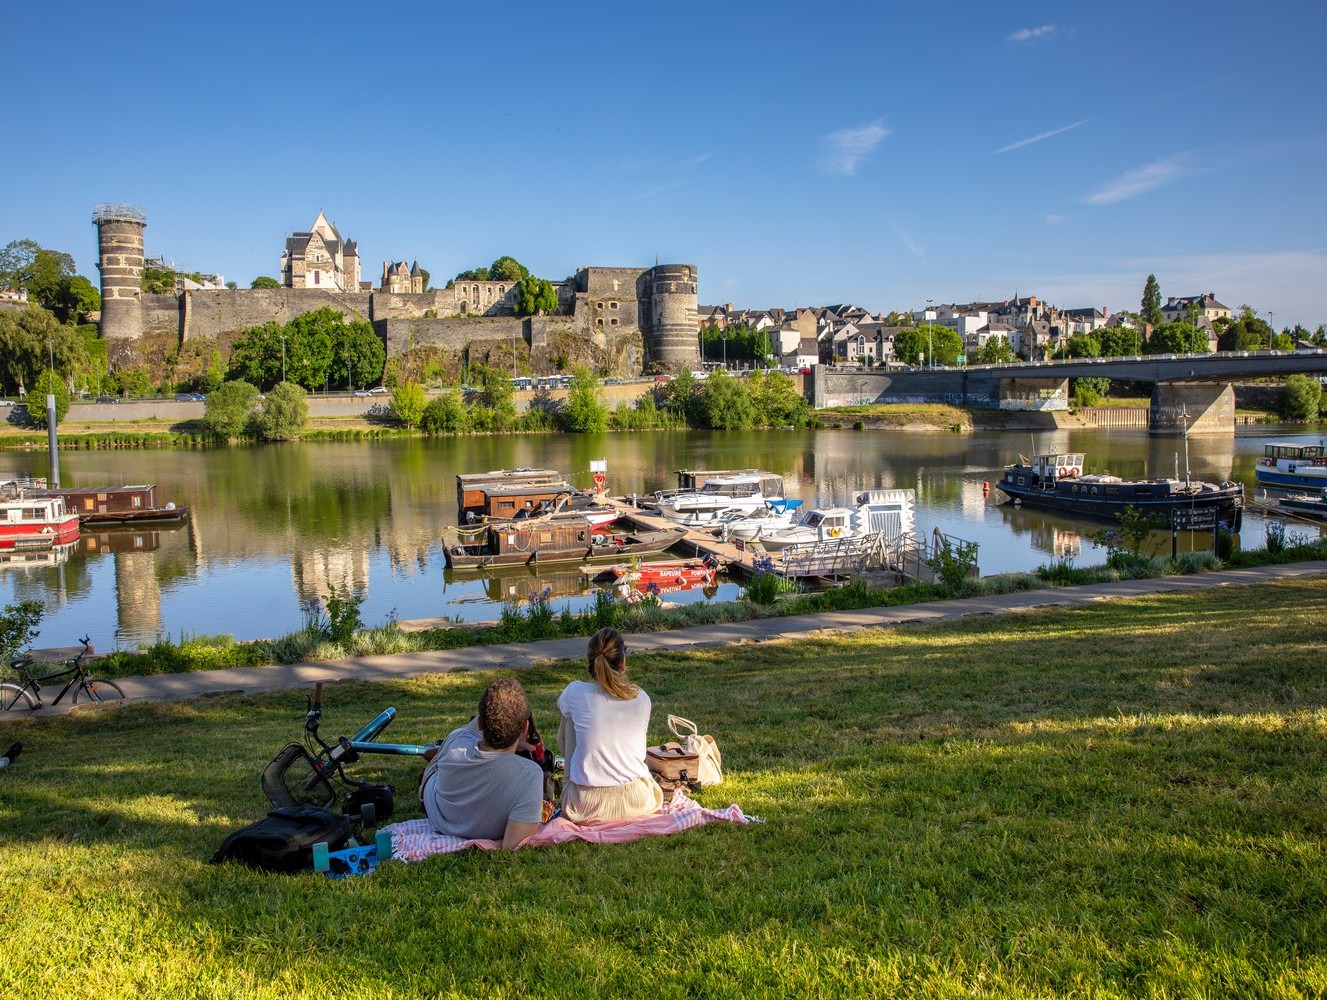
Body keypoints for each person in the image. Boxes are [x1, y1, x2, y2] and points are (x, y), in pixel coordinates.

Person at [418, 678, 544, 849]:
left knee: (454, 742)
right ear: (525, 728)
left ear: (480, 723)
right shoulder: (530, 775)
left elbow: (479, 723)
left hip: (437, 813)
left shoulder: (457, 739)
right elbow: (514, 844)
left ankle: (439, 754)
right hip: (455, 812)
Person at [557, 627, 663, 822]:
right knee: (573, 713)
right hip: (637, 801)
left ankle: (567, 780)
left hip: (585, 805)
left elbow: (562, 728)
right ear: (623, 662)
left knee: (569, 715)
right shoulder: (641, 698)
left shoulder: (575, 692)